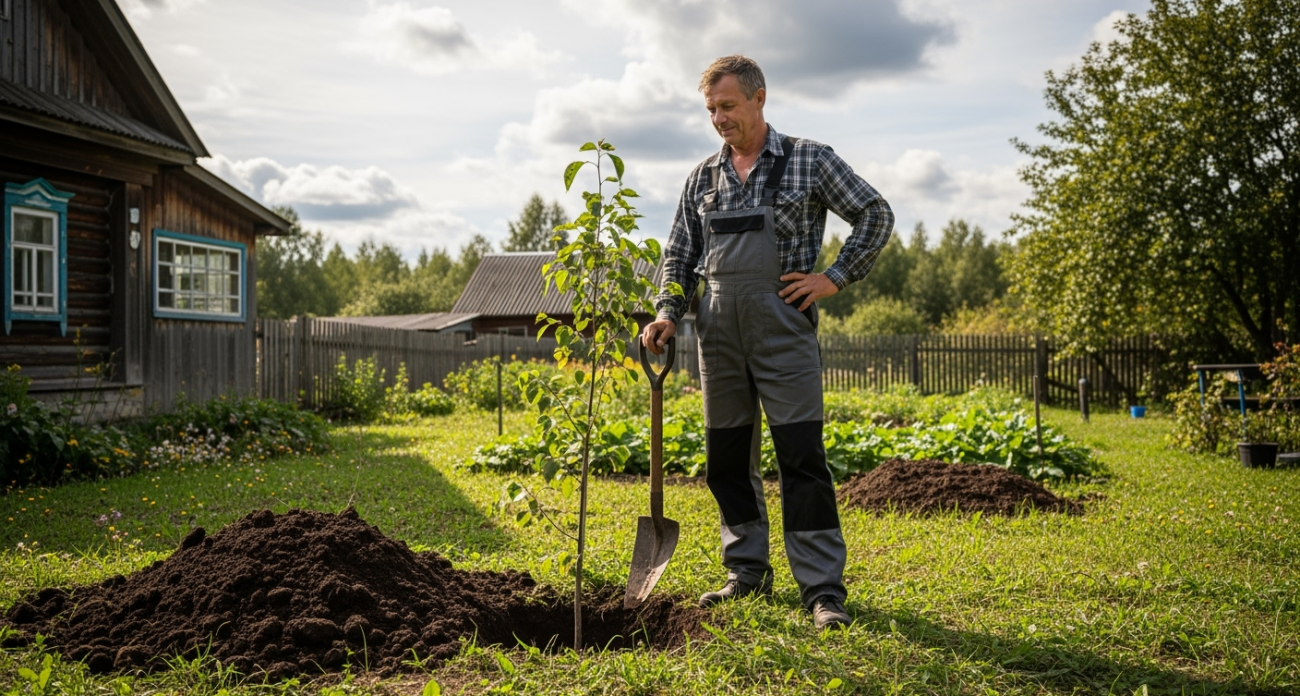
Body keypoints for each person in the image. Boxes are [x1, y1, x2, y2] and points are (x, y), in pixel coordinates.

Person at [641, 55, 894, 630]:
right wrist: (667, 312)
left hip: (784, 331)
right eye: (710, 110)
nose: (719, 119)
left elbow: (875, 213)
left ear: (759, 98)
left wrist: (834, 276)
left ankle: (823, 589)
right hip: (718, 335)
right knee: (726, 461)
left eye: (727, 106)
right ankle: (746, 572)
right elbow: (679, 253)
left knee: (801, 459)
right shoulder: (703, 176)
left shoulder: (810, 159)